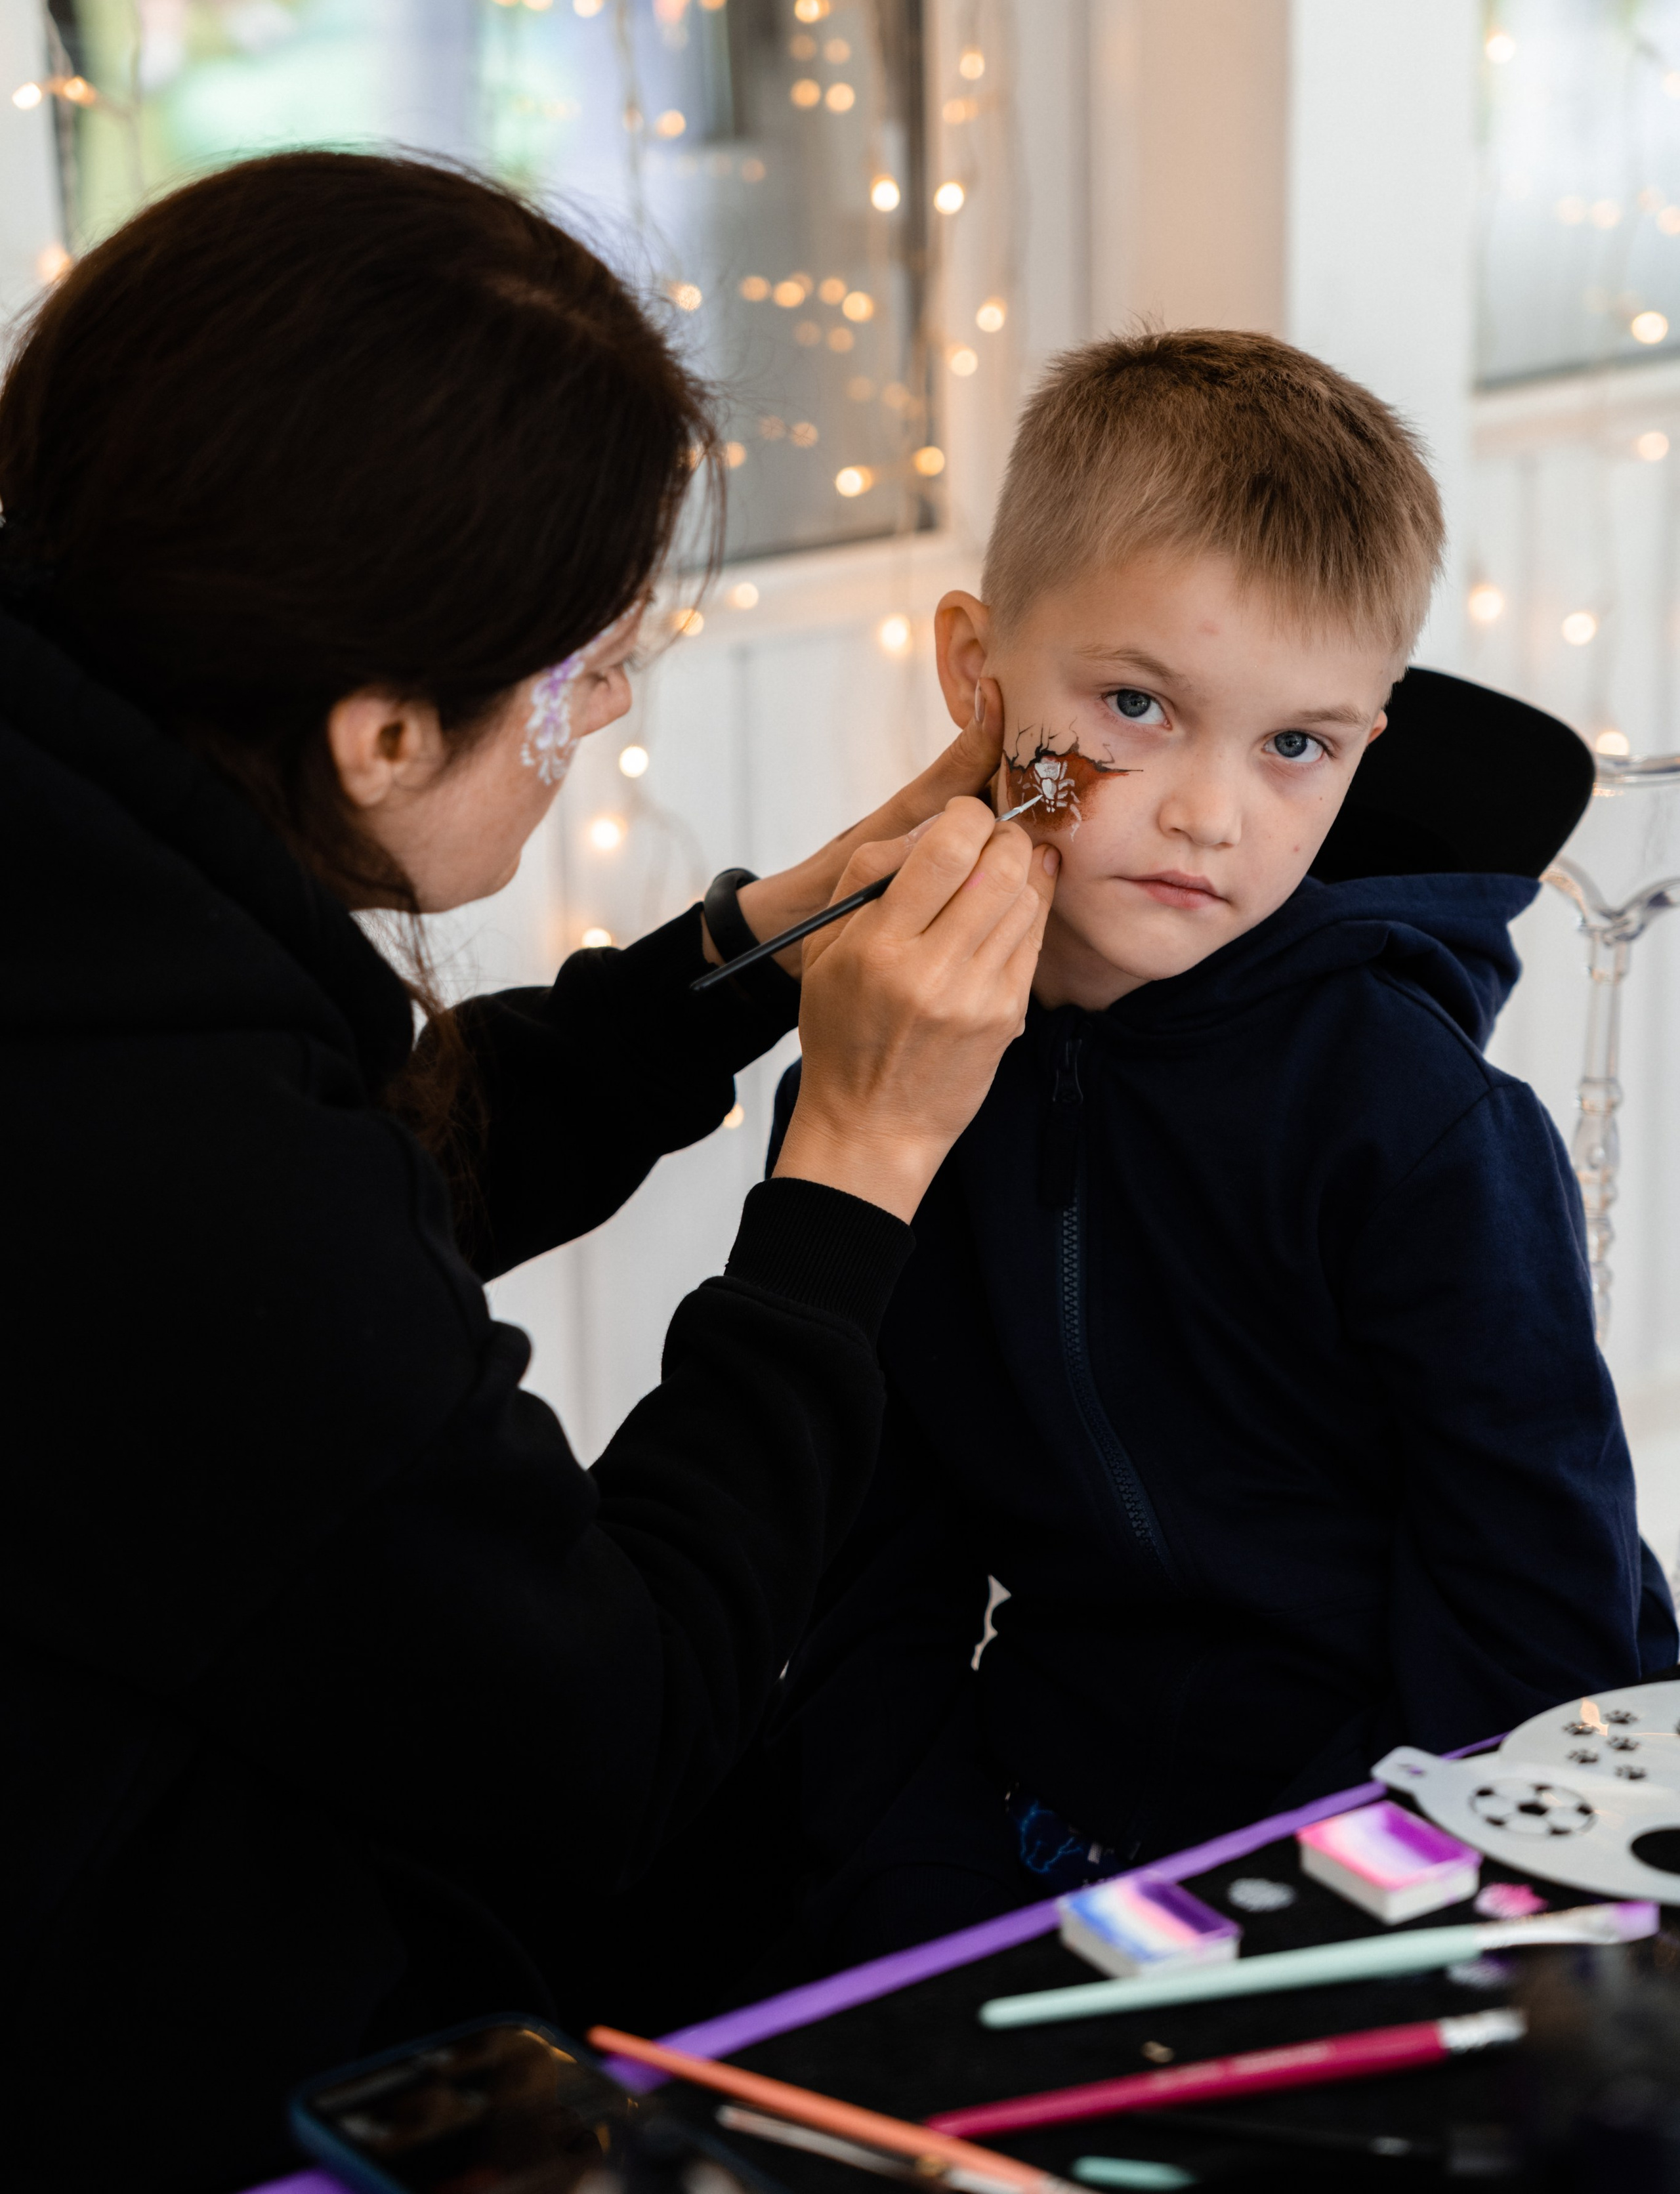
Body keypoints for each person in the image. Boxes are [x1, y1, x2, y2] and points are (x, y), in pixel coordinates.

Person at [0, 152, 1057, 2194]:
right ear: (383, 735)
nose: (610, 708)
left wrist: (747, 954)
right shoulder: (189, 1155)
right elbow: (609, 1729)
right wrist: (852, 1174)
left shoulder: (84, 879)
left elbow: (368, 1180)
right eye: (586, 671)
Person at [765, 328, 1679, 1969]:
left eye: (1294, 746)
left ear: (1364, 745)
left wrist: (1293, 1929)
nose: (1212, 815)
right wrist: (923, 1919)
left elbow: (1528, 1631)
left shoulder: (1424, 1134)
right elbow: (863, 1571)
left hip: (1404, 1858)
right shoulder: (897, 1062)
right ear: (977, 674)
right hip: (1050, 1810)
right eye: (1134, 708)